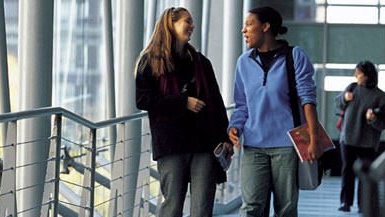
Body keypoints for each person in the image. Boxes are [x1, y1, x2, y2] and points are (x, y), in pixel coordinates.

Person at [135, 7, 232, 217]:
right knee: (172, 205)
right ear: (171, 25)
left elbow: (216, 102)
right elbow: (143, 100)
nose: (192, 26)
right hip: (171, 144)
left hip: (205, 143)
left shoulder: (201, 62)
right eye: (187, 21)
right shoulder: (150, 61)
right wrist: (182, 102)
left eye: (192, 21)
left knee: (203, 207)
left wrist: (226, 139)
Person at [228, 6, 322, 217]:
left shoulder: (294, 55)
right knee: (251, 207)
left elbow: (308, 100)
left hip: (286, 146)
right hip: (253, 146)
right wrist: (234, 126)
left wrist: (314, 139)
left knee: (285, 209)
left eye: (249, 24)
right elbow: (242, 104)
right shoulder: (243, 63)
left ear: (265, 26)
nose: (243, 30)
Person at [335, 60, 385, 212]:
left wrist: (373, 119)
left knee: (364, 175)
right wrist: (344, 98)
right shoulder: (352, 88)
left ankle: (363, 204)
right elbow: (338, 103)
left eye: (358, 73)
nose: (355, 75)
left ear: (366, 76)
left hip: (367, 142)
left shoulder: (380, 97)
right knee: (347, 171)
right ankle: (345, 203)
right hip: (347, 139)